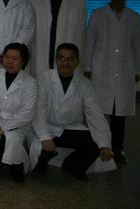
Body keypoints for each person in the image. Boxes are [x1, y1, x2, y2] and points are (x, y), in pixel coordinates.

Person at [83, 0, 140, 164]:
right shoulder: (97, 15)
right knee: (97, 113)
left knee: (119, 115)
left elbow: (138, 46)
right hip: (100, 72)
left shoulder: (134, 18)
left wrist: (137, 70)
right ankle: (97, 147)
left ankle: (117, 149)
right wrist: (87, 67)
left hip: (124, 72)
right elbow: (89, 43)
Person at [30, 43, 113, 181]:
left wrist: (105, 144)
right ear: (56, 60)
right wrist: (44, 137)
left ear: (77, 62)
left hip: (70, 128)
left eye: (70, 59)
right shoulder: (44, 78)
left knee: (97, 143)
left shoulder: (85, 84)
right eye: (61, 58)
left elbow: (95, 115)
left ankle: (72, 165)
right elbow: (39, 111)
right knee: (39, 168)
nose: (65, 63)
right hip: (47, 127)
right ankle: (45, 156)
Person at [0, 43, 37, 182]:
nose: (9, 61)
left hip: (17, 126)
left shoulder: (30, 83)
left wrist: (3, 128)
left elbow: (27, 112)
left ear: (23, 61)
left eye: (15, 58)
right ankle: (7, 159)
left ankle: (17, 166)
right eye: (7, 57)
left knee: (11, 140)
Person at [31, 0, 86, 76]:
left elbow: (82, 33)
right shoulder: (36, 1)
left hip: (68, 62)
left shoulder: (79, 1)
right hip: (42, 59)